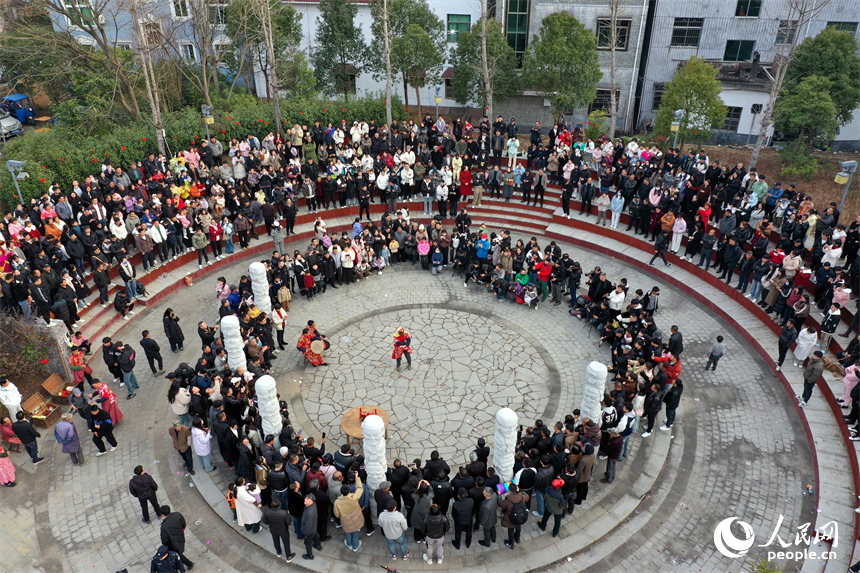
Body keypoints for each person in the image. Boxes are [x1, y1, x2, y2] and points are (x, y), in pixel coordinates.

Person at [333, 474, 364, 551]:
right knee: (355, 531)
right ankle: (355, 546)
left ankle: (349, 543)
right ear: (349, 491)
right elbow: (360, 488)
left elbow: (336, 514)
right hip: (355, 518)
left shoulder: (337, 502)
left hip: (345, 519)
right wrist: (357, 478)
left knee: (347, 531)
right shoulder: (354, 497)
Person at [160, 505, 194, 570]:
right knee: (179, 550)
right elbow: (183, 521)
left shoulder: (164, 527)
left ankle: (189, 564)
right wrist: (183, 527)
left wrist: (166, 546)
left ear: (163, 515)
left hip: (173, 543)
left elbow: (164, 540)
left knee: (178, 554)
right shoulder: (177, 515)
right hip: (180, 537)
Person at [498, 483, 529, 549]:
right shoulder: (522, 497)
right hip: (519, 517)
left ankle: (511, 544)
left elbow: (500, 504)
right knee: (518, 527)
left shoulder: (507, 501)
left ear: (509, 491)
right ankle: (517, 539)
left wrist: (499, 495)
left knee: (511, 530)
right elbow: (527, 496)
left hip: (511, 518)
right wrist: (520, 491)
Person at [302, 493, 323, 560]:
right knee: (315, 535)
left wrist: (304, 531)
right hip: (314, 527)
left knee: (307, 543)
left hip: (309, 531)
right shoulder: (314, 505)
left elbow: (308, 526)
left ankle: (309, 555)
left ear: (312, 501)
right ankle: (318, 545)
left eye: (308, 499)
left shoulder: (309, 513)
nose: (305, 499)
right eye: (306, 498)